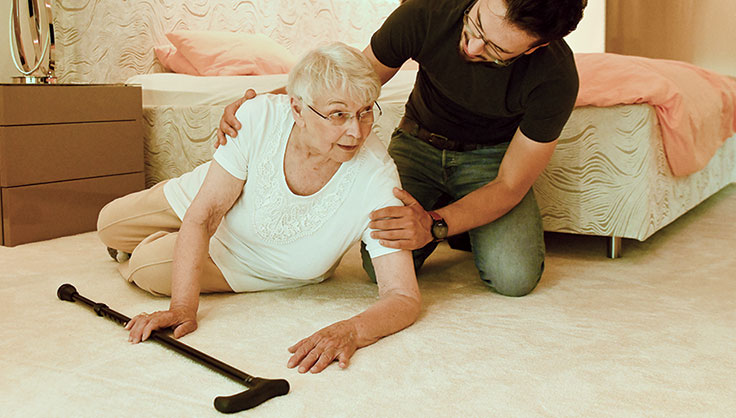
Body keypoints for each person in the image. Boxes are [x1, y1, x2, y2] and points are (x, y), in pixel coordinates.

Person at [218, 0, 586, 298]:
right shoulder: (425, 11)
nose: (472, 47)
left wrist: (435, 224)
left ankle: (461, 223)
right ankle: (467, 222)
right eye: (474, 25)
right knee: (376, 269)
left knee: (515, 279)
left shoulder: (556, 76)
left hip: (491, 161)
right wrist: (260, 106)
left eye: (496, 49)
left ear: (537, 46)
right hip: (419, 142)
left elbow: (510, 184)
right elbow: (347, 85)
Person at [97, 43, 420, 374]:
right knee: (108, 224)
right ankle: (170, 235)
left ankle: (163, 246)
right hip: (213, 200)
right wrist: (183, 307)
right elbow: (206, 213)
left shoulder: (379, 177)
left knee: (145, 266)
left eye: (366, 111)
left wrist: (353, 330)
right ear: (297, 109)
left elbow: (403, 296)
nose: (356, 131)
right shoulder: (260, 115)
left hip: (254, 262)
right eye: (339, 114)